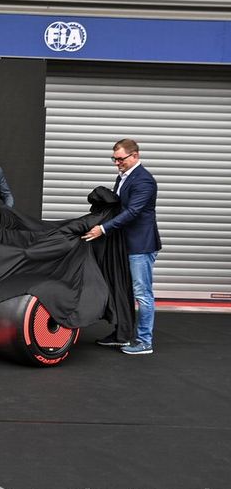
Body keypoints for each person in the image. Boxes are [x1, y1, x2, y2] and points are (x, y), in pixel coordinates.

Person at [81, 139, 161, 355]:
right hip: (123, 244)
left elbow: (132, 212)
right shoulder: (123, 177)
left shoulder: (144, 181)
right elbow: (118, 207)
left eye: (120, 159)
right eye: (114, 159)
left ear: (134, 155)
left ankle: (145, 342)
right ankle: (122, 335)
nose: (117, 163)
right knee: (123, 289)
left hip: (140, 245)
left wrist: (103, 229)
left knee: (142, 293)